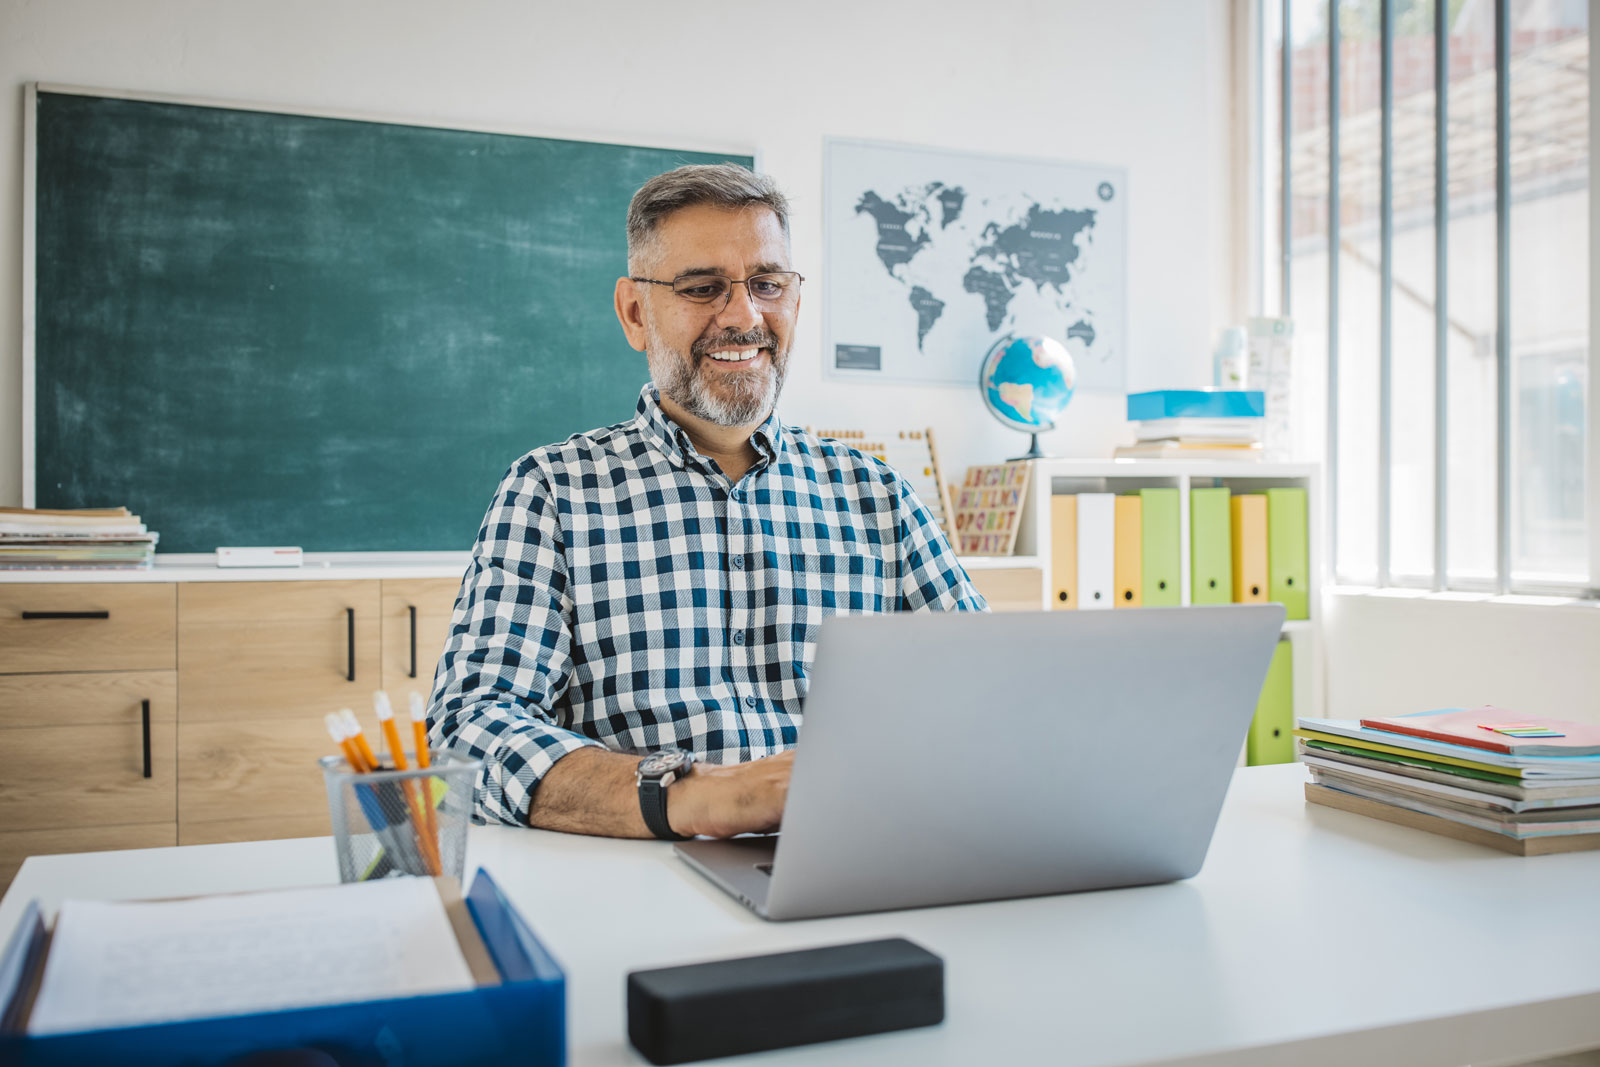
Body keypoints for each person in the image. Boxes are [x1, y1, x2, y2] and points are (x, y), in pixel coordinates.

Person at [427, 163, 985, 841]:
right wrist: (689, 795)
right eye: (702, 287)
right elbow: (469, 732)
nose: (745, 316)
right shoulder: (551, 493)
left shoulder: (878, 498)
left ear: (795, 301)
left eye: (767, 284)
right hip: (644, 886)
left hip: (858, 860)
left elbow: (988, 698)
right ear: (635, 312)